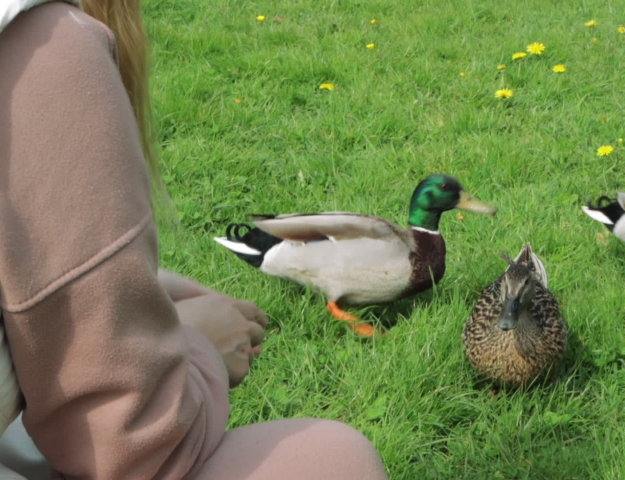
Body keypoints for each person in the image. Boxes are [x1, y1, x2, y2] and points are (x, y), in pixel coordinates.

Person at [0, 0, 389, 478]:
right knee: (334, 459)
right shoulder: (44, 43)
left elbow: (27, 266)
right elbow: (124, 446)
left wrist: (142, 283)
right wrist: (198, 345)